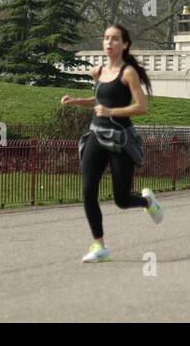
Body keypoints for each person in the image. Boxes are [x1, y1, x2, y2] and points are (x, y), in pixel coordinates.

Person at [61, 23, 163, 262]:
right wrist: (77, 101)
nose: (109, 42)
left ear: (124, 44)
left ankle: (147, 201)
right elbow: (98, 100)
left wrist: (110, 111)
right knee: (88, 191)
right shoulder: (97, 72)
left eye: (115, 39)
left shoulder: (128, 73)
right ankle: (99, 245)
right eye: (106, 38)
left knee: (122, 199)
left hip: (120, 139)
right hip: (96, 135)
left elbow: (141, 107)